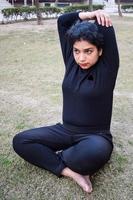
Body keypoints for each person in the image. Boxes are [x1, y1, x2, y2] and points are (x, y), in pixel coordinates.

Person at [12, 10, 119, 193]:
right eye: (77, 51)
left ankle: (60, 157)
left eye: (88, 51)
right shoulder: (72, 62)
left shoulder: (107, 69)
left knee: (95, 151)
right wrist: (88, 14)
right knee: (20, 141)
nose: (81, 58)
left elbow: (106, 31)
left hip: (95, 136)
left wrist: (100, 16)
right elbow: (63, 22)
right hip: (64, 131)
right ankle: (71, 171)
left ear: (100, 51)